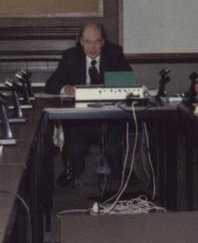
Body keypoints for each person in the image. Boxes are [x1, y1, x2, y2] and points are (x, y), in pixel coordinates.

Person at [43, 23, 133, 186]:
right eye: (87, 42)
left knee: (113, 150)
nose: (92, 47)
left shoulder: (114, 53)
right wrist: (66, 88)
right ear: (80, 42)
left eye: (97, 42)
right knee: (75, 149)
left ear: (103, 42)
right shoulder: (70, 56)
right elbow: (50, 84)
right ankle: (73, 170)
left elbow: (128, 80)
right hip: (80, 119)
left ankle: (119, 172)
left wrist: (104, 87)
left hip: (110, 117)